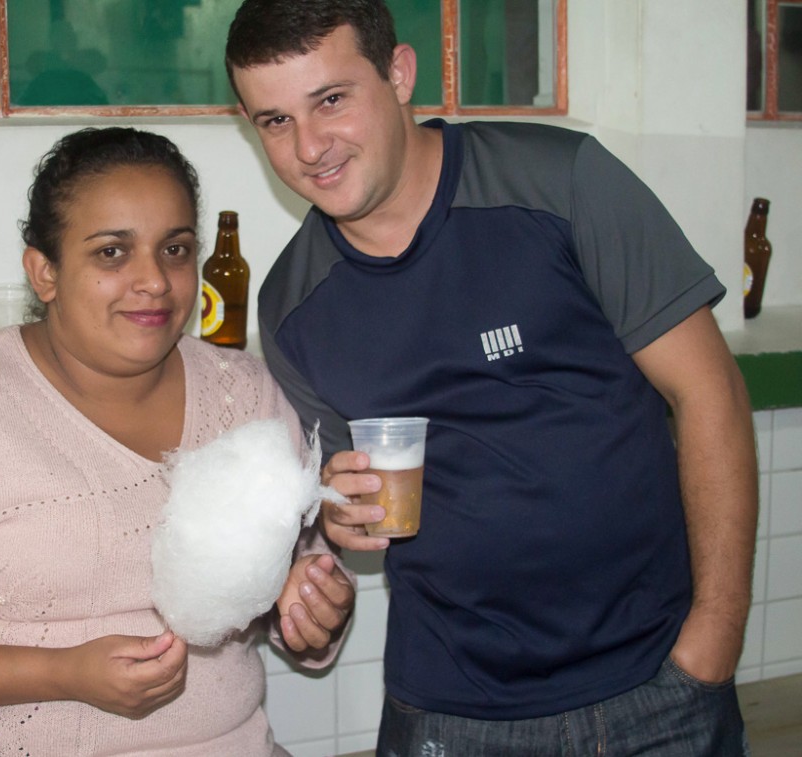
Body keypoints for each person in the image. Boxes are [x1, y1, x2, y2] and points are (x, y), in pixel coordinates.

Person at [225, 1, 758, 754]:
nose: (310, 146)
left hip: (659, 687)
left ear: (399, 74)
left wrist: (714, 640)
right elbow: (359, 512)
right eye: (275, 121)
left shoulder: (560, 181)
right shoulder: (292, 307)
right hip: (448, 710)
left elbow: (709, 391)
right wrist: (343, 519)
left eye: (332, 99)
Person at [0, 126, 354, 756]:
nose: (154, 280)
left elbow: (298, 579)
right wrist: (61, 673)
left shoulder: (244, 396)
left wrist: (313, 608)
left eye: (175, 249)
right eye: (112, 253)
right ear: (44, 272)